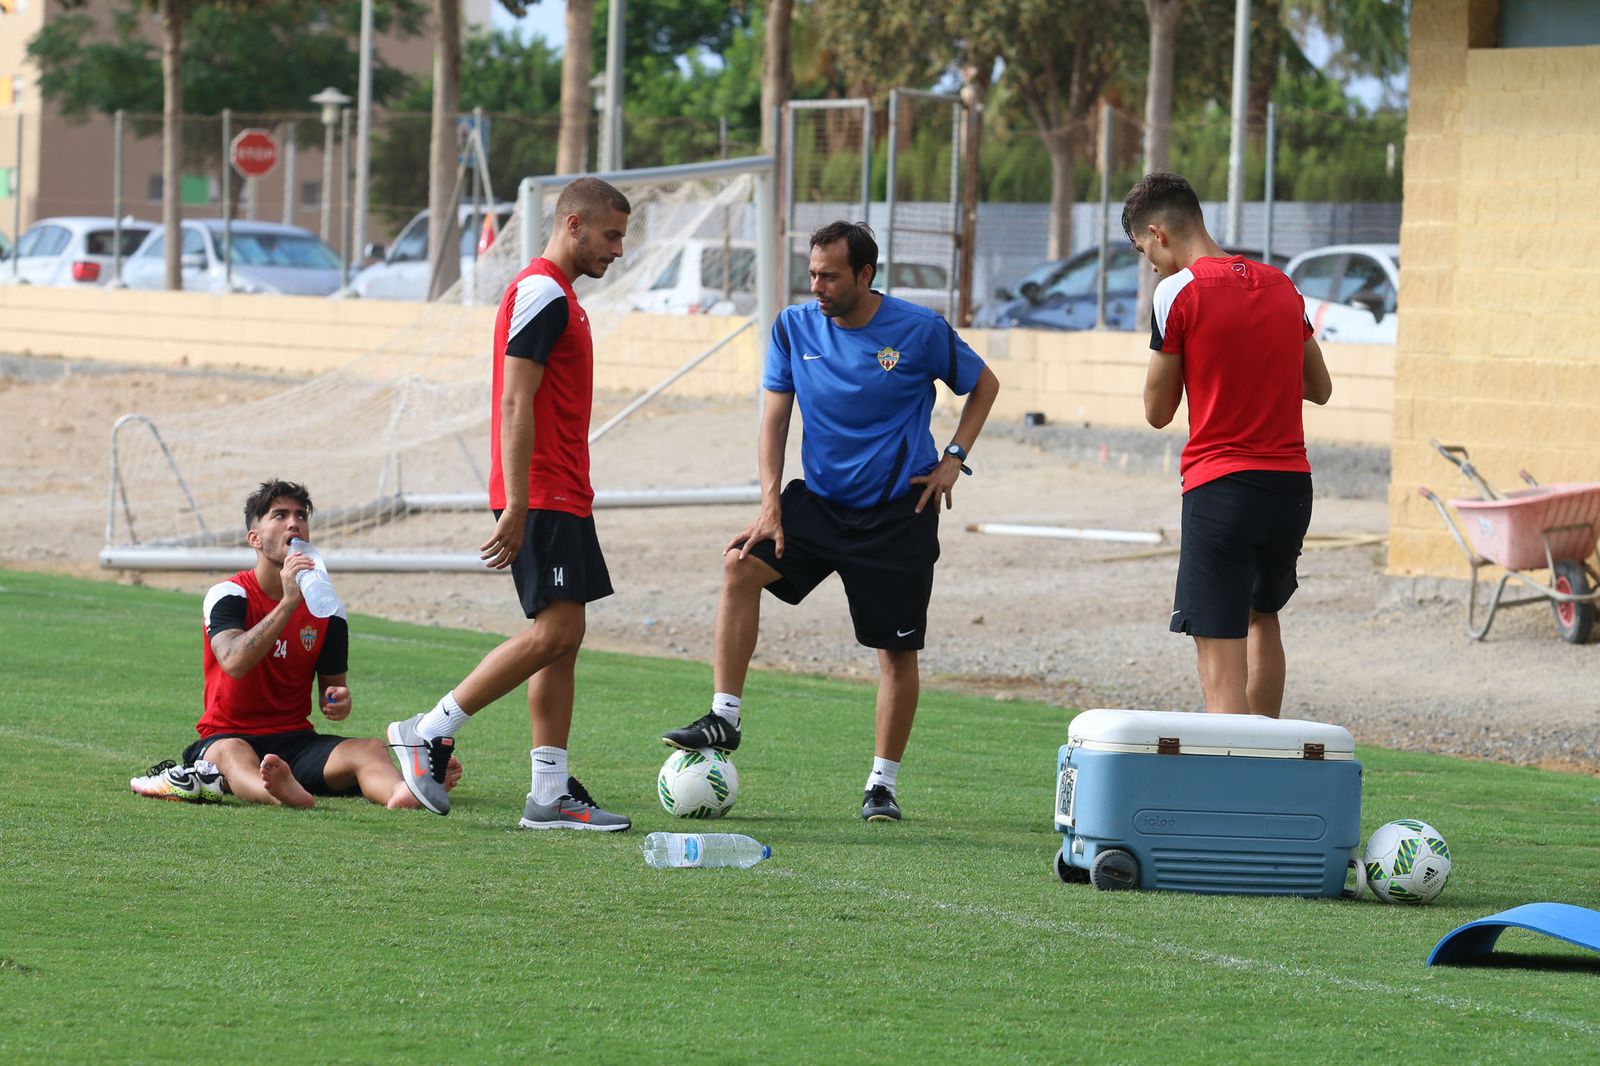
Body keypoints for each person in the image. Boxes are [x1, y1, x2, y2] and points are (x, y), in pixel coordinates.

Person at [660, 220, 1000, 822]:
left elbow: (985, 384)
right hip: (817, 503)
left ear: (865, 275)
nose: (816, 284)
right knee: (739, 568)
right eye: (812, 272)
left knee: (895, 654)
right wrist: (770, 503)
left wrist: (953, 459)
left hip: (900, 512)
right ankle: (724, 719)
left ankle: (881, 785)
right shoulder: (792, 328)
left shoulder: (920, 330)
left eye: (830, 275)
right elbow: (774, 421)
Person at [387, 176, 632, 829]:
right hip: (543, 491)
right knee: (554, 631)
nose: (617, 250)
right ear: (573, 225)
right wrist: (518, 502)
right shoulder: (542, 291)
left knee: (565, 639)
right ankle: (428, 730)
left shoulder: (564, 299)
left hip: (565, 492)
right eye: (611, 235)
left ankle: (549, 794)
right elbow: (514, 399)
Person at [1122, 171, 1333, 718]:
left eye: (1146, 251)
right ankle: (1266, 770)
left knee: (1218, 637)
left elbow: (1157, 411)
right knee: (1263, 615)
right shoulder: (1282, 284)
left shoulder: (1176, 292)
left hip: (1222, 487)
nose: (1151, 264)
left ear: (1158, 233)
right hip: (1291, 486)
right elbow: (1321, 388)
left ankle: (1230, 777)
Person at [130, 478, 462, 809]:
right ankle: (277, 793)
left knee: (369, 748)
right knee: (232, 754)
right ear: (255, 539)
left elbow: (333, 696)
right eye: (279, 515)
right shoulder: (230, 594)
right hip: (227, 735)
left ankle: (404, 792)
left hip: (297, 742)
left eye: (301, 515)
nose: (294, 523)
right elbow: (233, 661)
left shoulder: (326, 607)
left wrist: (338, 701)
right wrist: (288, 603)